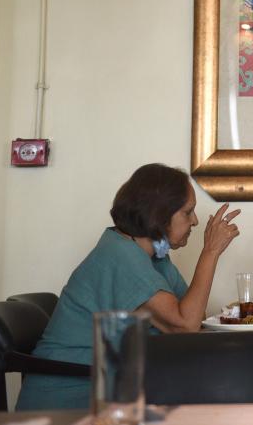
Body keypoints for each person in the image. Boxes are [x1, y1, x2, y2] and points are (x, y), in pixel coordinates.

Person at [16, 163, 241, 410]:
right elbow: (184, 326)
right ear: (159, 215)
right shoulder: (119, 257)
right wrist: (210, 252)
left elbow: (193, 316)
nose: (195, 221)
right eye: (188, 212)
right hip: (73, 396)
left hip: (114, 385)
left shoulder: (153, 256)